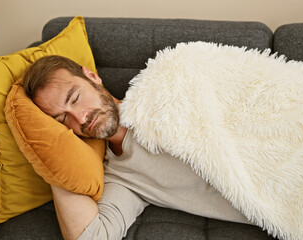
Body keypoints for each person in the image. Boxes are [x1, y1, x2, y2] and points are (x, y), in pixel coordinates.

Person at [23, 55, 252, 240]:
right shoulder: (120, 176)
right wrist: (48, 152)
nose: (80, 119)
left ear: (92, 76)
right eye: (62, 119)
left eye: (75, 98)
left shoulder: (163, 98)